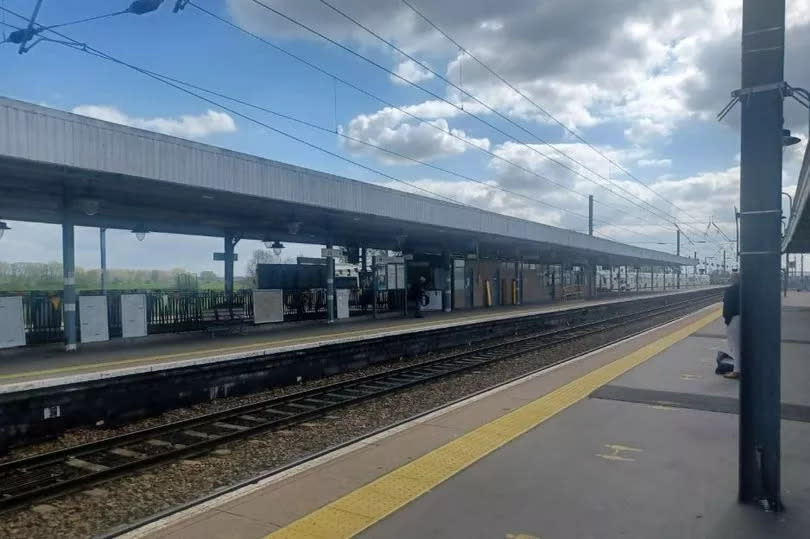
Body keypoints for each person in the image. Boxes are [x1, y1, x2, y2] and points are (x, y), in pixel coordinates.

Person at [722, 271, 741, 379]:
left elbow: (727, 308)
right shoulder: (746, 289)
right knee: (739, 345)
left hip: (734, 320)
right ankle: (739, 368)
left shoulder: (730, 290)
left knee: (735, 346)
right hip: (743, 319)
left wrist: (727, 320)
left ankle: (737, 371)